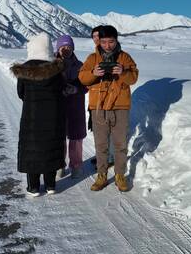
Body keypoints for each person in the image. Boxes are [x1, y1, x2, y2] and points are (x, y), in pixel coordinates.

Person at [78, 25, 138, 192]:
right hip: (99, 107)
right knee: (101, 145)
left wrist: (123, 72)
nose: (107, 45)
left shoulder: (125, 57)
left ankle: (119, 175)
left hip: (120, 106)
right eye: (103, 42)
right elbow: (82, 78)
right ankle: (102, 175)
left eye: (111, 41)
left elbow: (133, 78)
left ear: (116, 40)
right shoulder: (92, 58)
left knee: (120, 144)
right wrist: (93, 74)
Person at [11, 32, 66, 196]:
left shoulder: (25, 71)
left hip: (32, 118)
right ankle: (50, 186)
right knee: (51, 147)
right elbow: (61, 91)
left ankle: (33, 187)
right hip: (53, 118)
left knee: (32, 150)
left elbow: (21, 94)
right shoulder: (56, 70)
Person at [55, 35, 87, 179]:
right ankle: (59, 165)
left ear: (73, 48)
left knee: (76, 139)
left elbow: (86, 84)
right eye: (63, 47)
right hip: (57, 106)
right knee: (58, 137)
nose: (66, 49)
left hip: (75, 106)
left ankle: (76, 166)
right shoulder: (51, 64)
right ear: (58, 48)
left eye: (69, 47)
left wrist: (76, 89)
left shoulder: (80, 66)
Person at [88, 25, 115, 170]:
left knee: (108, 130)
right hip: (96, 98)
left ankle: (109, 158)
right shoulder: (95, 54)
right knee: (98, 130)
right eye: (94, 36)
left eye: (99, 36)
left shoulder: (111, 54)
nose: (96, 39)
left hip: (108, 98)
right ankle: (102, 155)